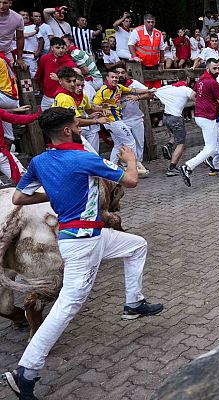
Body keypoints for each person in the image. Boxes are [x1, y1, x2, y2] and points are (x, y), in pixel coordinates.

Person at [3, 108, 163, 400]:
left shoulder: (39, 161)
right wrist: (129, 160)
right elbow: (130, 181)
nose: (79, 127)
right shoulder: (84, 158)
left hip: (91, 236)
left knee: (137, 245)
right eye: (76, 124)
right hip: (83, 242)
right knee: (68, 304)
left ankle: (134, 302)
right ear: (67, 130)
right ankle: (26, 371)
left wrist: (55, 193)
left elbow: (18, 197)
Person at [179, 58, 219, 186]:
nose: (217, 70)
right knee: (210, 148)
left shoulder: (201, 80)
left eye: (218, 68)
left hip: (201, 115)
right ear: (208, 69)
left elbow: (192, 96)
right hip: (207, 117)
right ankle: (188, 166)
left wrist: (205, 101)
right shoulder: (212, 83)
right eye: (215, 68)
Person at [93, 66, 153, 166]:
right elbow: (94, 106)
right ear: (107, 78)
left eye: (116, 77)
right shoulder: (103, 91)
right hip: (113, 121)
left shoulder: (119, 87)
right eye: (112, 77)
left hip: (117, 121)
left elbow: (133, 90)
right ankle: (133, 167)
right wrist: (102, 109)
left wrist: (148, 90)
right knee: (131, 142)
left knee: (118, 145)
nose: (115, 79)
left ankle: (112, 167)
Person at [114, 64, 151, 176]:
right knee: (124, 145)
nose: (120, 75)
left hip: (136, 118)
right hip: (121, 121)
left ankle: (138, 167)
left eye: (122, 72)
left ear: (126, 73)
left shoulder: (134, 84)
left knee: (139, 144)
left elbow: (150, 93)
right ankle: (127, 167)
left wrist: (138, 97)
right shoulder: (112, 87)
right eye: (118, 73)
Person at [154, 78, 195, 175]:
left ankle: (168, 145)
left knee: (176, 134)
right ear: (188, 80)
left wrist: (138, 97)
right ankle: (171, 167)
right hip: (176, 118)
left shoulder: (169, 88)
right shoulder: (186, 89)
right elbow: (195, 97)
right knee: (181, 143)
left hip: (166, 117)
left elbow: (153, 93)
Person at [0, 105, 39, 183]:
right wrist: (37, 115)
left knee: (26, 182)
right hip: (2, 154)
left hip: (2, 154)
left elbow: (15, 118)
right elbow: (16, 119)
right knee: (26, 183)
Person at [36, 37, 76, 110]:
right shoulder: (44, 58)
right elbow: (39, 75)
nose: (60, 50)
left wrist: (59, 79)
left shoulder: (70, 62)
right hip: (47, 96)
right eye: (57, 48)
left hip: (63, 97)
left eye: (62, 47)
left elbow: (75, 81)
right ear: (52, 48)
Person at [128, 14, 166, 89]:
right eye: (148, 22)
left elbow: (162, 49)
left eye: (152, 22)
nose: (151, 24)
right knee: (145, 87)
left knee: (157, 86)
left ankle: (155, 99)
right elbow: (130, 44)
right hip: (142, 64)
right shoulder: (137, 31)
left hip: (155, 64)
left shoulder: (158, 33)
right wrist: (135, 56)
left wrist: (161, 63)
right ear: (144, 22)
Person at [0, 0, 25, 69]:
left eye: (5, 3)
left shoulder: (18, 18)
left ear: (10, 3)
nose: (1, 6)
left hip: (6, 52)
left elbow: (20, 38)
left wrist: (20, 58)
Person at [18, 11, 42, 77]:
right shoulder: (14, 27)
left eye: (27, 15)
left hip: (30, 56)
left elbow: (41, 40)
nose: (26, 16)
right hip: (17, 56)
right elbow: (20, 36)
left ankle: (34, 87)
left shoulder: (33, 26)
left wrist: (38, 51)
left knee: (33, 76)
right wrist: (35, 32)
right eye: (23, 15)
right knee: (21, 77)